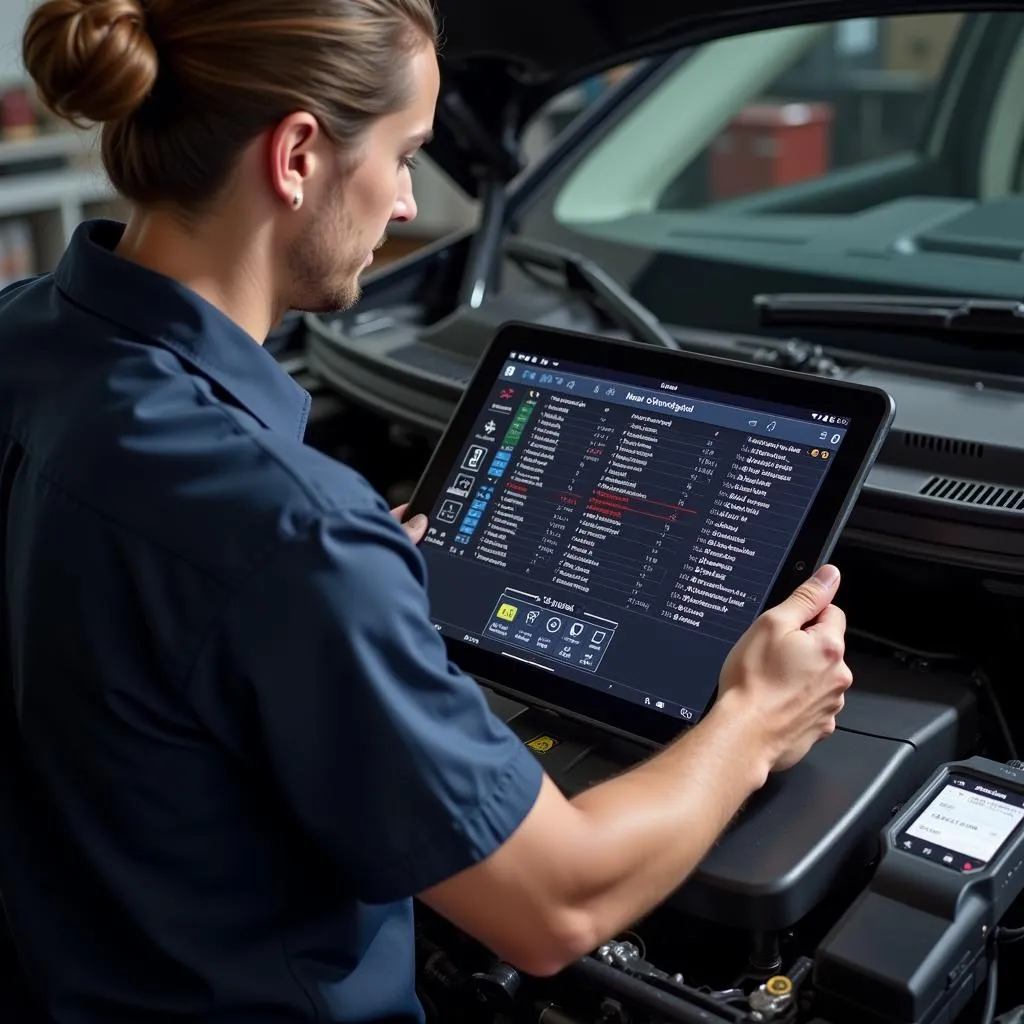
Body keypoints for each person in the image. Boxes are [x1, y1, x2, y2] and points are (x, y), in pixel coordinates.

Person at [0, 0, 852, 1021]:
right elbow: (555, 903)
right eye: (406, 153)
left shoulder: (24, 337)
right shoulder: (295, 531)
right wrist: (758, 719)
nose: (407, 204)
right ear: (299, 154)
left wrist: (339, 589)